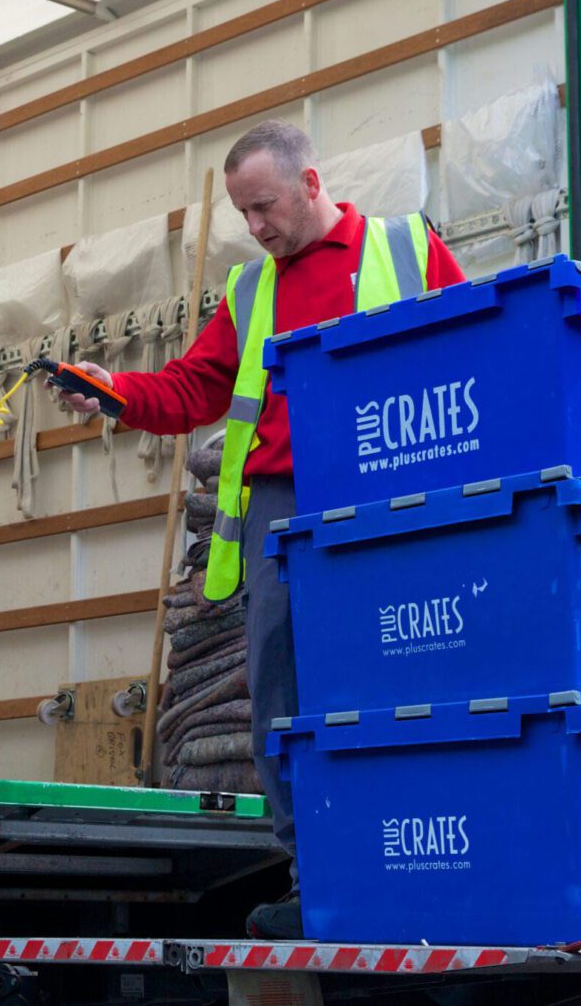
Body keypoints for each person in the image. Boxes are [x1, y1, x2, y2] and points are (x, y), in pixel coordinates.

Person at [51, 119, 466, 938]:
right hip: (284, 514)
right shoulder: (250, 293)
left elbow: (476, 355)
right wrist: (114, 389)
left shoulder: (407, 250)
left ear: (312, 185)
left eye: (265, 206)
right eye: (243, 212)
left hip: (394, 502)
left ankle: (432, 864)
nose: (255, 226)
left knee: (405, 684)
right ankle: (318, 878)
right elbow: (188, 389)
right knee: (284, 694)